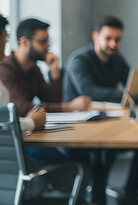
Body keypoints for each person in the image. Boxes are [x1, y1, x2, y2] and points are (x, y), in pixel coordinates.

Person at [63, 15, 138, 205]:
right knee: (105, 150)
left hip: (107, 124)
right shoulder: (79, 61)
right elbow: (88, 92)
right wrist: (127, 95)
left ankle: (128, 194)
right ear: (96, 36)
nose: (113, 44)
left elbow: (131, 83)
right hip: (79, 130)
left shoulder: (116, 59)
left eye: (117, 39)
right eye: (108, 39)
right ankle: (98, 200)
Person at [0, 17, 89, 200]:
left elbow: (51, 99)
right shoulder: (5, 70)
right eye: (43, 42)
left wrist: (55, 73)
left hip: (23, 137)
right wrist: (69, 107)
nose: (47, 46)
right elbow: (20, 108)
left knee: (78, 156)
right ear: (24, 41)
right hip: (19, 143)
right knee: (75, 163)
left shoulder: (33, 69)